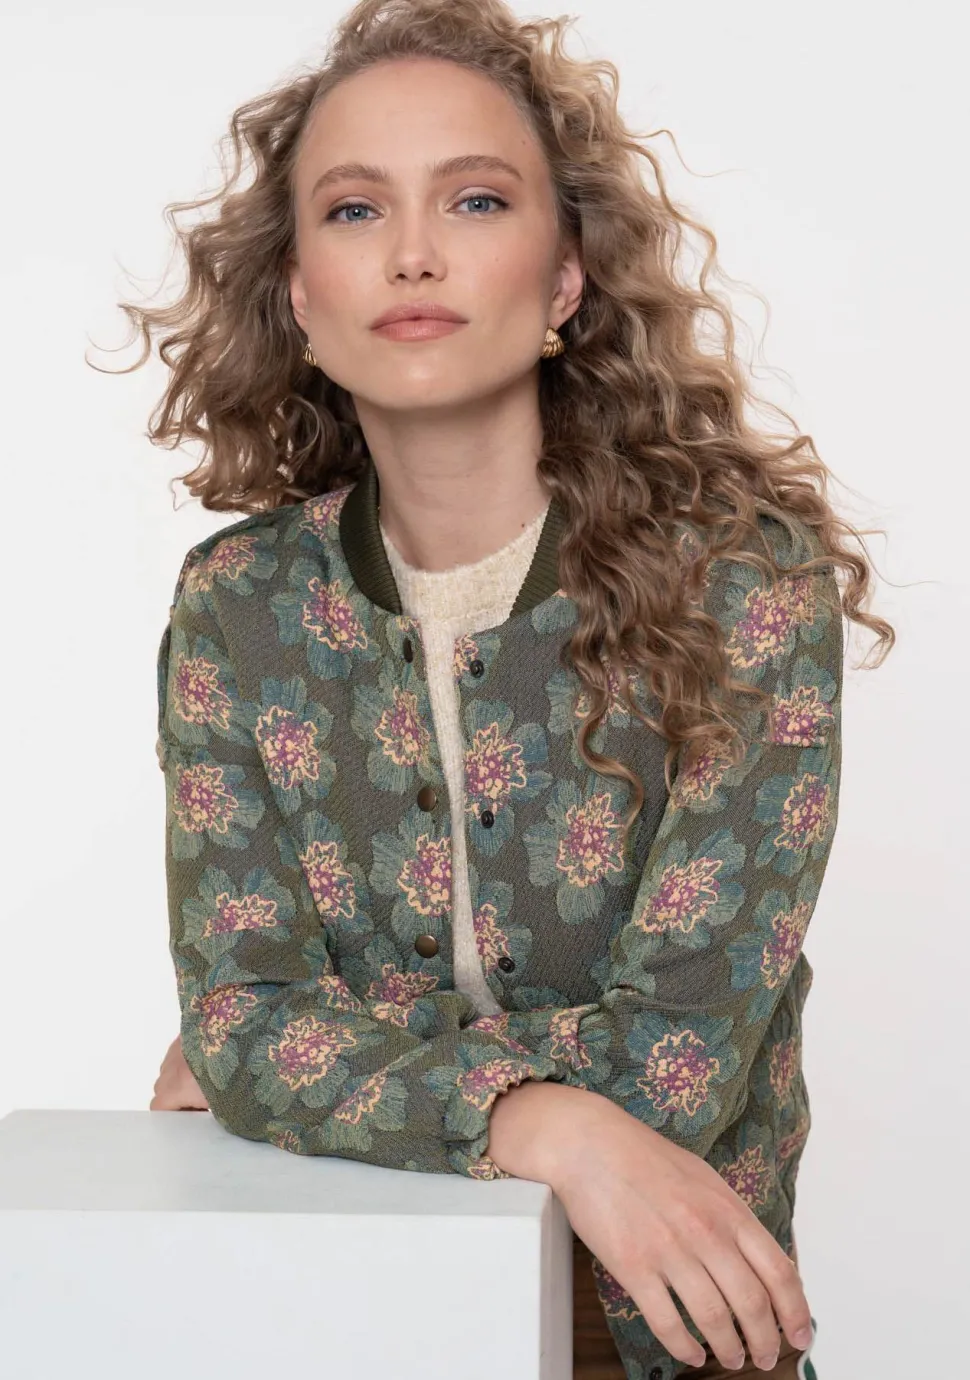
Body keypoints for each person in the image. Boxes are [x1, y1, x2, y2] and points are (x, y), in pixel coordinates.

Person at [133, 1, 894, 1375]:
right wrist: (536, 1115)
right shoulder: (236, 608)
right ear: (299, 294)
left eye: (476, 200)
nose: (413, 252)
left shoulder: (741, 584)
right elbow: (243, 1020)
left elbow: (677, 1061)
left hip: (663, 1325)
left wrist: (308, 1065)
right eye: (354, 210)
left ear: (563, 281)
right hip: (342, 1309)